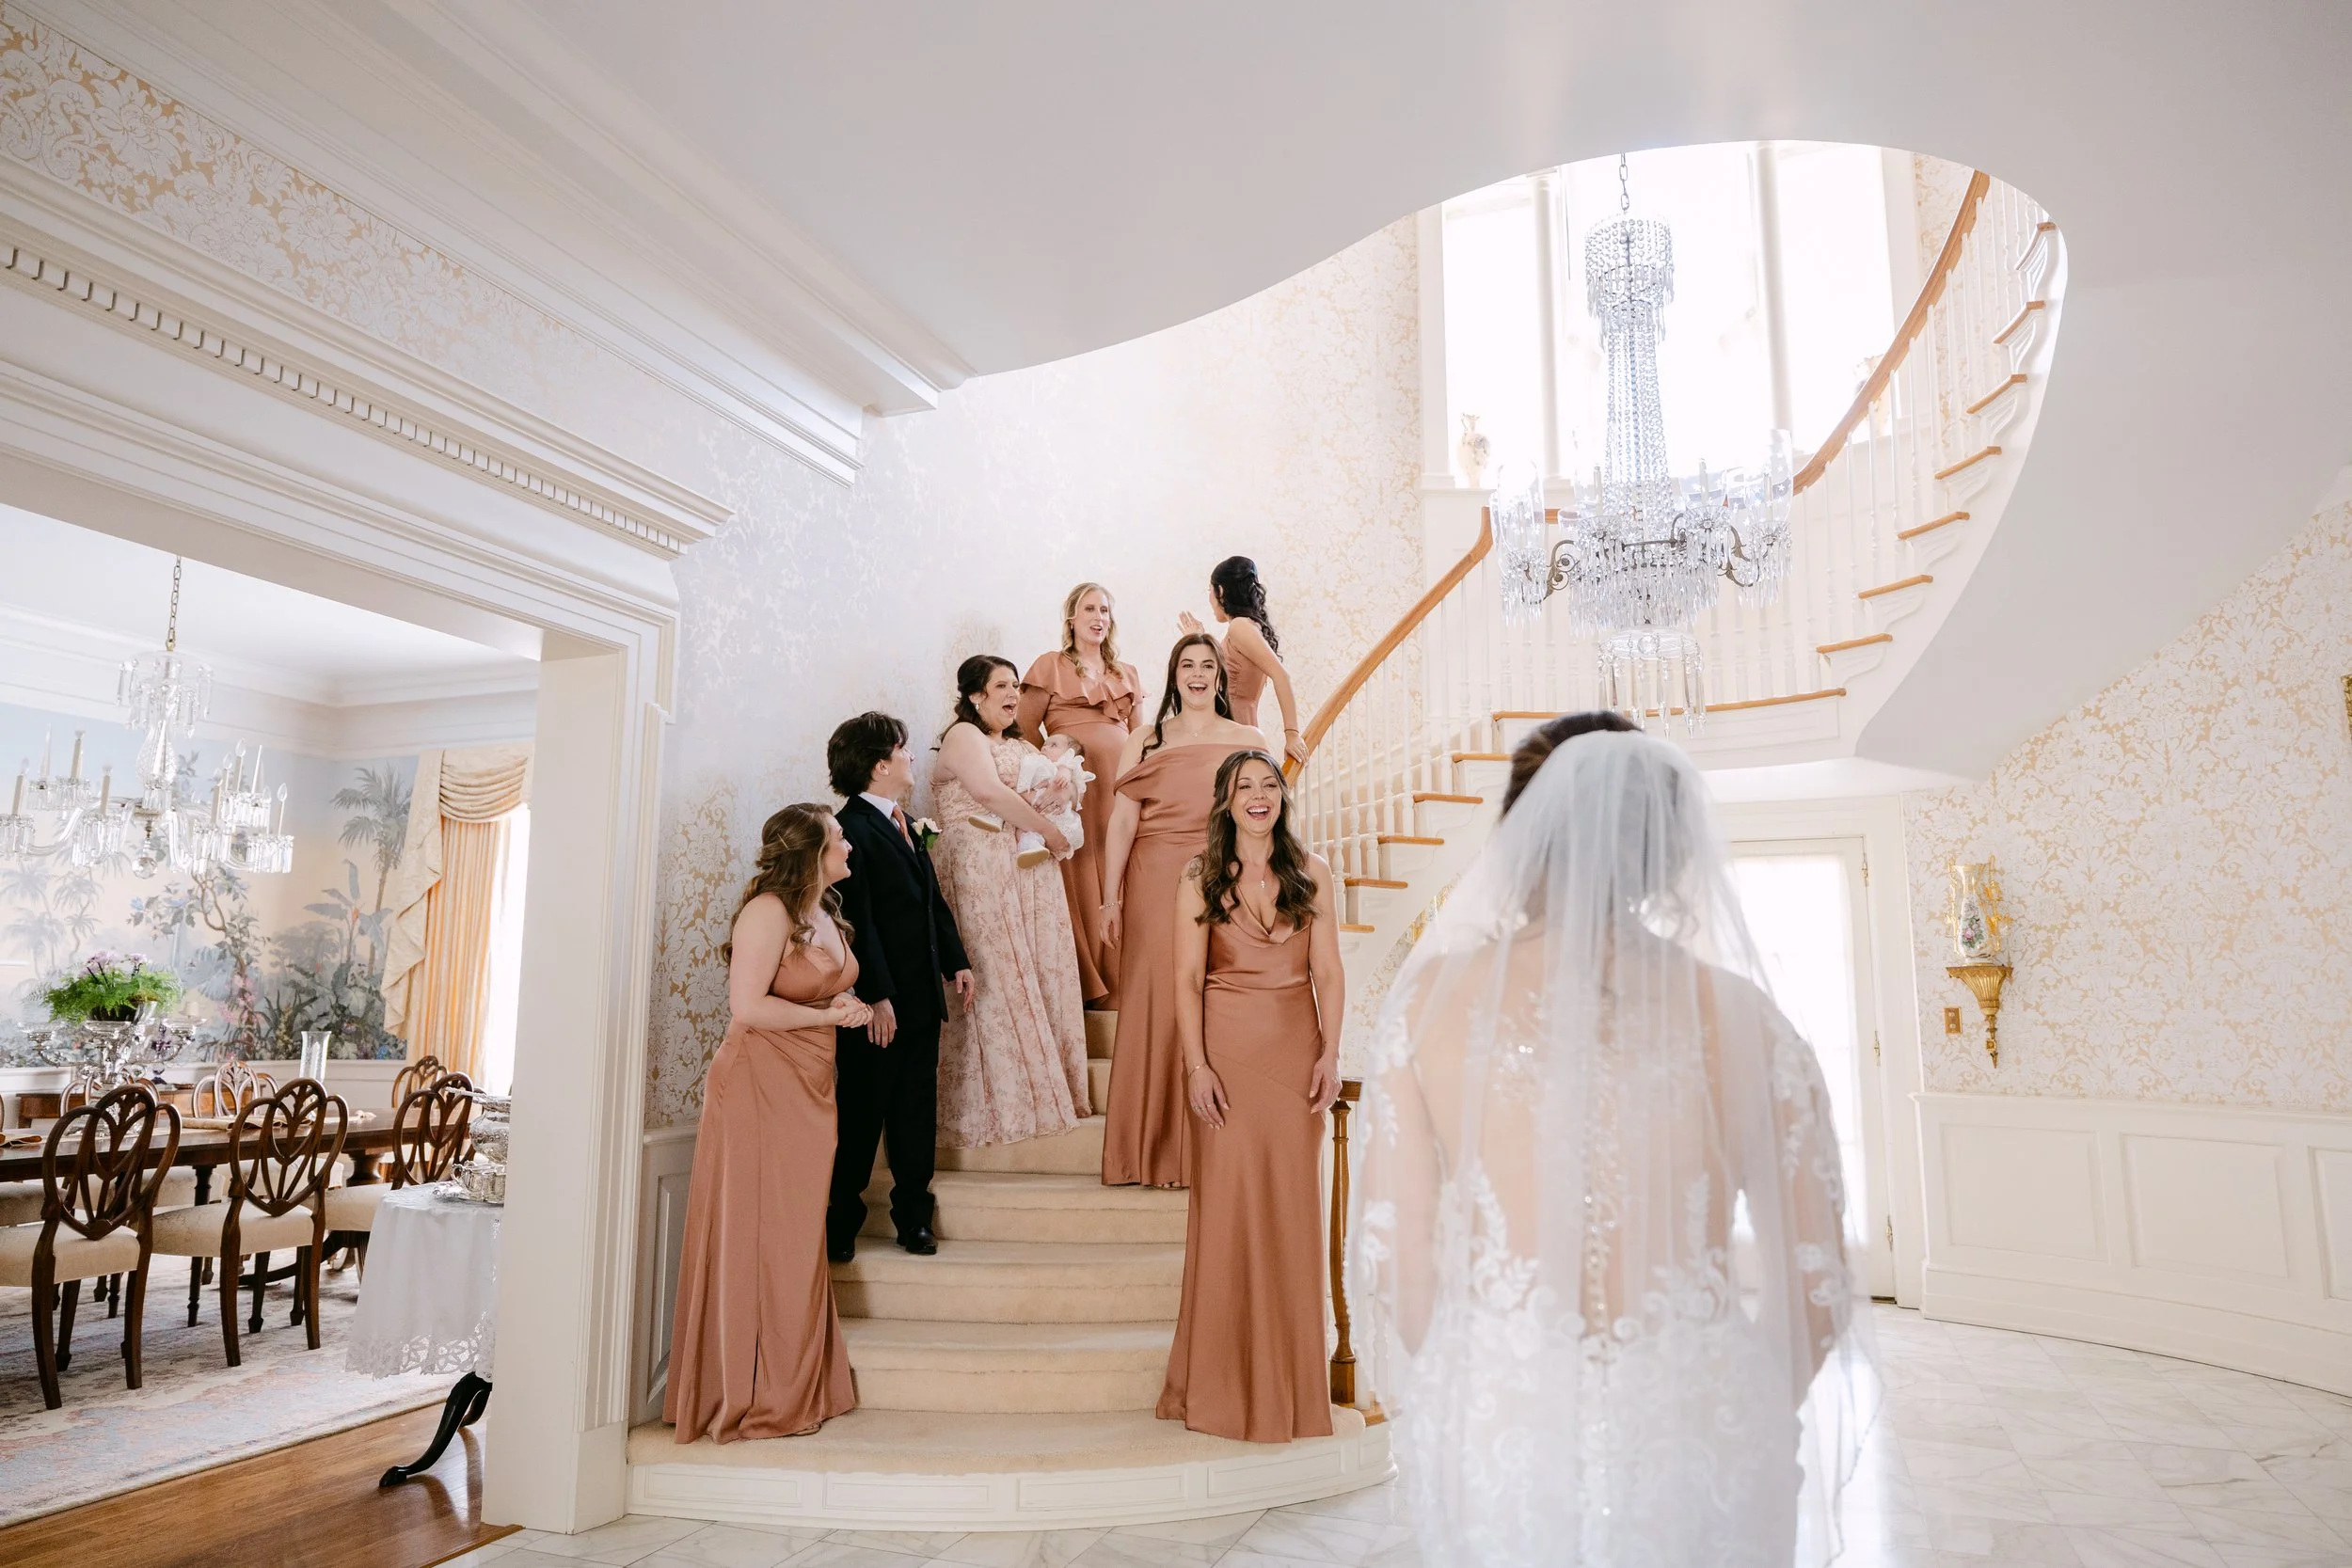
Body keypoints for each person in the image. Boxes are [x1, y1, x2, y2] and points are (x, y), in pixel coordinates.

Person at [1351, 721, 1871, 1568]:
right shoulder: (1751, 1021)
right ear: (1666, 847)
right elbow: (1818, 1279)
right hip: (1703, 1430)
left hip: (1502, 1430)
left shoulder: (1424, 1011)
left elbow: (1393, 1255)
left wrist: (1486, 1381)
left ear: (1520, 835)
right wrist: (1737, 1404)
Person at [666, 804, 868, 1443]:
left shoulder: (825, 913)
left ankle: (798, 1376)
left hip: (810, 1084)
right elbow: (747, 1006)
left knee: (798, 1230)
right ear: (811, 850)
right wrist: (831, 1018)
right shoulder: (768, 912)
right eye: (839, 839)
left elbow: (809, 989)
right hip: (757, 1082)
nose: (849, 847)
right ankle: (750, 1388)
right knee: (760, 1230)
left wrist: (842, 1003)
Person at [1157, 751, 1343, 1443]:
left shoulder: (1313, 872)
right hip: (1227, 1061)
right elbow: (1185, 980)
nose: (1259, 796)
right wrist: (1195, 1065)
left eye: (1269, 785)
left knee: (1293, 1212)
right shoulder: (1197, 876)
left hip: (1294, 1057)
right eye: (1245, 787)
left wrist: (1330, 1050)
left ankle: (1291, 1392)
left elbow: (1328, 969)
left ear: (1283, 797)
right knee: (1230, 1213)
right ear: (1225, 801)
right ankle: (1220, 1387)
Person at [1097, 633, 1264, 1187]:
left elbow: (1262, 811)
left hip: (1224, 877)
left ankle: (1210, 1149)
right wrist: (1109, 897)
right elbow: (1121, 822)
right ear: (1175, 675)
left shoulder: (1246, 736)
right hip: (1152, 881)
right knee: (1156, 1000)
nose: (1197, 674)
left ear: (1220, 676)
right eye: (1187, 665)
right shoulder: (1144, 739)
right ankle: (1151, 1150)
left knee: (1218, 998)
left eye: (1207, 665)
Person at [825, 713, 973, 1261]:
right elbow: (855, 920)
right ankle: (840, 1223)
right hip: (878, 1008)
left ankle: (914, 1218)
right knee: (863, 1115)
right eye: (904, 750)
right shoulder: (851, 831)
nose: (913, 757)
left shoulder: (907, 823)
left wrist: (956, 962)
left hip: (920, 1000)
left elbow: (930, 903)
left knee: (915, 1114)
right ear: (880, 764)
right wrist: (878, 997)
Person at [930, 656, 1090, 1148]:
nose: (1013, 694)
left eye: (1016, 686)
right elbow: (987, 792)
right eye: (1002, 685)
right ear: (975, 694)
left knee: (1037, 971)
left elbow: (1046, 787)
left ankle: (1047, 1080)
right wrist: (1046, 830)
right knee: (995, 977)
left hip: (1025, 870)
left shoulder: (1022, 744)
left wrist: (1062, 796)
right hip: (978, 867)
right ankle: (996, 1097)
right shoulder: (963, 736)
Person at [1019, 583, 1140, 1008]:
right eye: (1089, 608)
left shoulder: (1126, 674)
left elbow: (1142, 737)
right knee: (1083, 874)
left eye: (1105, 609)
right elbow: (1025, 732)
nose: (1098, 616)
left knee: (1123, 872)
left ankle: (1126, 982)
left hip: (1123, 790)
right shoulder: (1049, 666)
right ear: (1071, 617)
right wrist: (1056, 776)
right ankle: (1089, 984)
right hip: (1076, 794)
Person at [1179, 556, 1305, 767]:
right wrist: (1200, 639)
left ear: (1220, 591)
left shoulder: (1239, 627)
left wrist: (1292, 735)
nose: (1209, 598)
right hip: (1233, 730)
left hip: (1234, 733)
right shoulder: (1245, 627)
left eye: (1209, 590)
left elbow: (1281, 675)